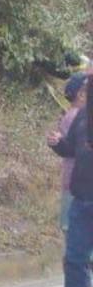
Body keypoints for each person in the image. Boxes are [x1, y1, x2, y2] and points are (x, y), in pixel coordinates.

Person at [46, 77, 93, 287]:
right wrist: (57, 143)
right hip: (81, 198)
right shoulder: (82, 117)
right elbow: (71, 150)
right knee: (75, 259)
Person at [57, 73, 87, 234]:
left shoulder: (72, 115)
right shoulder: (77, 117)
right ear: (81, 95)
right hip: (77, 181)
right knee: (74, 227)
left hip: (74, 180)